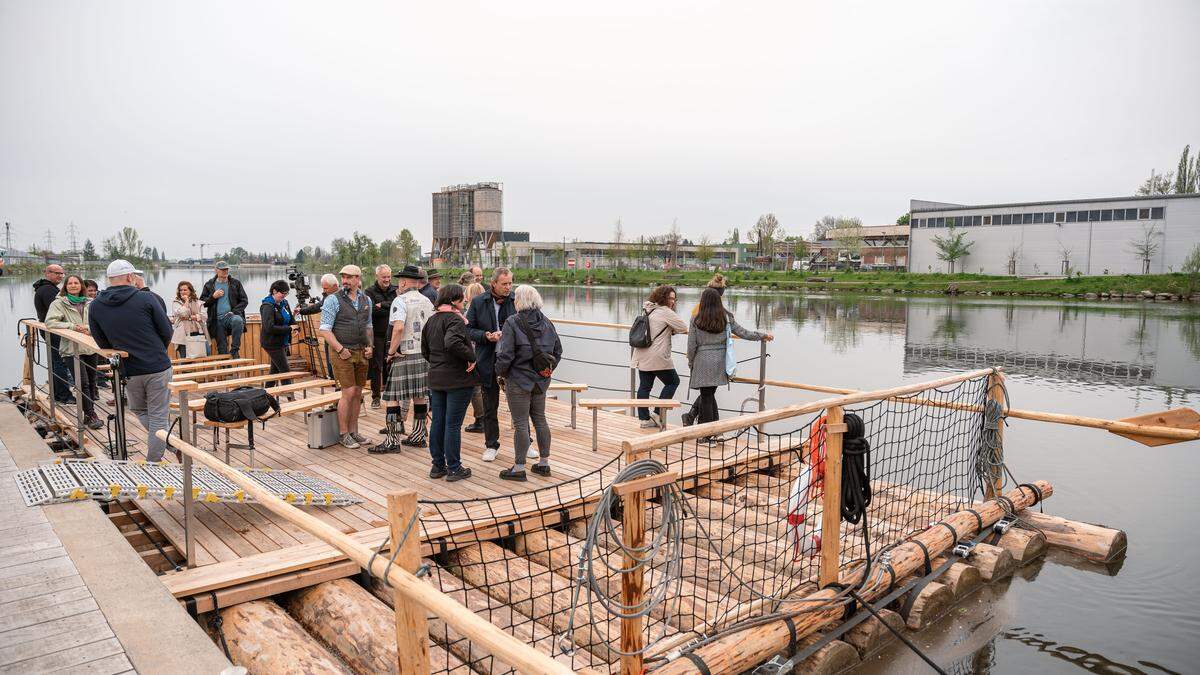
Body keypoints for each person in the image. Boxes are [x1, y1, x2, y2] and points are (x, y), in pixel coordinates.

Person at [89, 260, 174, 462]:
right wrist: (154, 351)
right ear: (130, 277)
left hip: (128, 368)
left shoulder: (96, 305)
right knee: (158, 416)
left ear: (109, 279)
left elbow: (102, 342)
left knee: (139, 410)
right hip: (157, 365)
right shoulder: (146, 298)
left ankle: (164, 441)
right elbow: (166, 331)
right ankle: (155, 460)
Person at [495, 285, 561, 481]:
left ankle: (519, 467)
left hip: (518, 380)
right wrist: (547, 370)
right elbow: (557, 351)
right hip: (541, 381)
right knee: (540, 419)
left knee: (521, 423)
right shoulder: (548, 322)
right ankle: (543, 463)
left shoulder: (512, 322)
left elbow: (506, 355)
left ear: (518, 301)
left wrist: (498, 372)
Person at [685, 288, 773, 433]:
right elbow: (743, 332)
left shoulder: (695, 319)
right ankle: (715, 431)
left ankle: (707, 434)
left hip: (701, 360)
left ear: (703, 301)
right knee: (709, 395)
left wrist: (691, 362)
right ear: (719, 301)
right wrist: (762, 335)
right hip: (720, 360)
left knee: (706, 396)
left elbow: (691, 345)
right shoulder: (725, 318)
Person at [374, 265, 435, 453]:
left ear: (403, 282)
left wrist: (391, 352)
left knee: (392, 397)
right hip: (423, 354)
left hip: (405, 354)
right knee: (419, 395)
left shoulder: (400, 301)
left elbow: (399, 328)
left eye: (399, 280)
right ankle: (418, 435)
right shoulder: (428, 301)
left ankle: (392, 441)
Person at [421, 284, 476, 481]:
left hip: (437, 377)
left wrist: (437, 363)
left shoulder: (432, 320)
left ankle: (437, 465)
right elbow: (452, 342)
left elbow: (425, 350)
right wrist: (471, 356)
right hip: (457, 379)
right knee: (452, 425)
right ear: (454, 300)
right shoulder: (455, 319)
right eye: (462, 299)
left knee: (438, 421)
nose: (464, 302)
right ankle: (454, 467)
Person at [318, 265, 373, 449]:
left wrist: (370, 346)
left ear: (358, 279)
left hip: (361, 351)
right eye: (343, 277)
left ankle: (354, 431)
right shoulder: (332, 300)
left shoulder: (366, 300)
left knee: (358, 392)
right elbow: (324, 330)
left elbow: (368, 326)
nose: (345, 281)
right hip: (342, 352)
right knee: (348, 392)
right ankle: (343, 434)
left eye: (349, 277)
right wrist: (340, 349)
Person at [465, 267, 514, 461]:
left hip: (511, 361)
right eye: (504, 284)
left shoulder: (516, 300)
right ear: (493, 283)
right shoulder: (478, 302)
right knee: (489, 405)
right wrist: (486, 336)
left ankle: (526, 442)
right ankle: (491, 445)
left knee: (519, 405)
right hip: (487, 358)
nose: (508, 287)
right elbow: (468, 330)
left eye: (510, 283)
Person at [44, 275, 103, 429]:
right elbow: (50, 322)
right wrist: (73, 327)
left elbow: (100, 321)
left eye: (76, 283)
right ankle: (91, 415)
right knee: (82, 382)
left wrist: (88, 328)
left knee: (91, 381)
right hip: (71, 348)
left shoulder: (91, 302)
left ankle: (88, 414)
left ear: (81, 285)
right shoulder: (59, 303)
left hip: (90, 346)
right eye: (70, 283)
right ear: (65, 286)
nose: (73, 285)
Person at [632, 285, 688, 428]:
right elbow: (683, 327)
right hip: (657, 356)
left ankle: (644, 420)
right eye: (670, 298)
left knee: (644, 387)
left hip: (642, 353)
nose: (672, 302)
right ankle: (658, 413)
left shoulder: (649, 309)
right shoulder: (665, 311)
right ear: (663, 298)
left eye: (674, 299)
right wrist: (672, 329)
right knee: (673, 382)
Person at [34, 263, 73, 403]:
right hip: (53, 330)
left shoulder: (45, 288)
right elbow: (60, 311)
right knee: (60, 362)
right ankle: (64, 396)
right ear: (48, 273)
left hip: (50, 330)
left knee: (56, 362)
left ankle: (58, 394)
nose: (61, 276)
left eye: (62, 273)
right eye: (57, 273)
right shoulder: (48, 291)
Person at [199, 261, 248, 358]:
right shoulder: (209, 284)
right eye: (222, 269)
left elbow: (244, 301)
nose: (225, 271)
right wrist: (213, 297)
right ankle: (227, 371)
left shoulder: (235, 283)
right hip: (216, 320)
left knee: (238, 320)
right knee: (222, 349)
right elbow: (202, 303)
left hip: (230, 316)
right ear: (216, 270)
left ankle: (234, 350)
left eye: (227, 269)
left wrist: (234, 312)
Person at [364, 264, 397, 408]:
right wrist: (388, 307)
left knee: (391, 364)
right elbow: (372, 311)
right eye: (384, 277)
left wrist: (382, 304)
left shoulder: (395, 290)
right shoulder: (369, 291)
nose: (387, 279)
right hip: (376, 334)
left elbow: (398, 308)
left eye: (389, 276)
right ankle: (376, 397)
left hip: (392, 333)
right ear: (377, 277)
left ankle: (391, 394)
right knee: (376, 366)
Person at [260, 280, 297, 386]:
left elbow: (290, 319)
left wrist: (296, 328)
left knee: (274, 371)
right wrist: (289, 329)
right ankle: (291, 398)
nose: (284, 296)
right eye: (283, 294)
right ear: (274, 291)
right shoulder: (267, 305)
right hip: (271, 343)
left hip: (283, 342)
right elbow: (269, 328)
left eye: (286, 294)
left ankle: (267, 395)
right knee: (285, 371)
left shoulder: (284, 303)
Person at [462, 281, 487, 433]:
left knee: (475, 388)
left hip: (473, 352)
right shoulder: (487, 311)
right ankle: (483, 417)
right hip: (485, 352)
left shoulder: (468, 313)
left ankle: (481, 418)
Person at [170, 281, 205, 359]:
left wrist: (189, 317)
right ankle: (185, 371)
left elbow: (204, 316)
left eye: (185, 290)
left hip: (197, 333)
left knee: (200, 355)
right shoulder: (176, 302)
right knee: (185, 358)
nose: (182, 292)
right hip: (182, 335)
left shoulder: (197, 302)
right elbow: (182, 313)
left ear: (190, 290)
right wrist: (186, 301)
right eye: (181, 290)